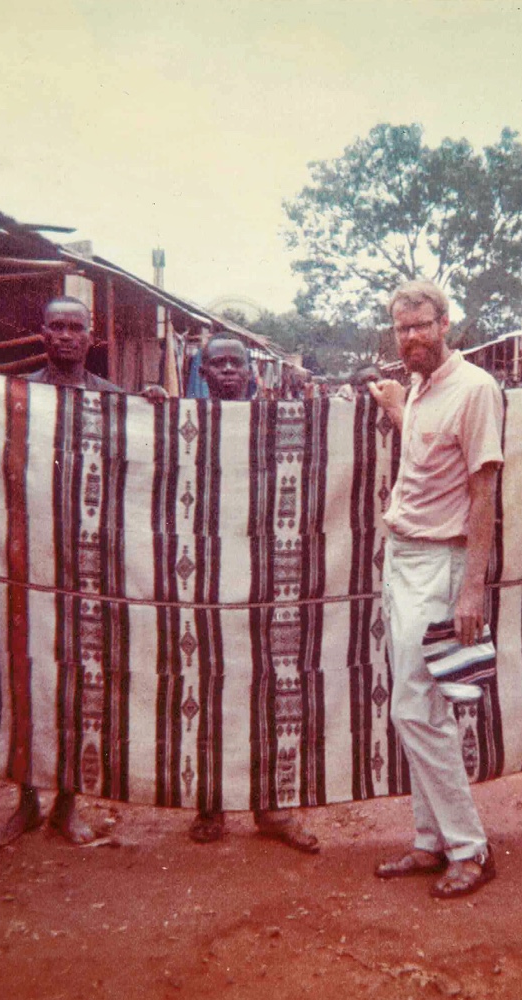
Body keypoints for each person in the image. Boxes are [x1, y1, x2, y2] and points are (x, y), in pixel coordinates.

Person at [0, 296, 165, 848]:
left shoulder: (113, 401)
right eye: (56, 326)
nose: (66, 336)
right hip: (30, 557)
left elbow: (140, 466)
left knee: (82, 679)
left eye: (75, 328)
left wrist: (153, 407)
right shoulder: (18, 397)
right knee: (27, 673)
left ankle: (68, 804)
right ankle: (25, 802)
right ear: (41, 333)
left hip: (91, 563)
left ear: (91, 338)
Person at [367, 280, 502, 899]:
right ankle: (430, 841)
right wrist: (398, 406)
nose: (412, 337)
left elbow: (484, 493)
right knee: (418, 705)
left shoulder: (475, 389)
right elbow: (428, 460)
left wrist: (471, 587)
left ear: (447, 324)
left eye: (423, 325)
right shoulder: (421, 385)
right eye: (402, 328)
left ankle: (469, 848)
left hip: (441, 564)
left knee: (418, 710)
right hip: (403, 559)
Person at [187, 336, 319, 853]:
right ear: (202, 369)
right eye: (215, 363)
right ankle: (211, 803)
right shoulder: (182, 423)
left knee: (271, 687)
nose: (225, 372)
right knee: (209, 684)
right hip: (205, 576)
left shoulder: (280, 422)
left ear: (250, 370)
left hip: (269, 575)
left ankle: (271, 806)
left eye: (234, 363)